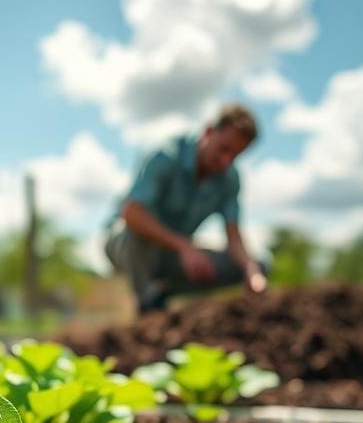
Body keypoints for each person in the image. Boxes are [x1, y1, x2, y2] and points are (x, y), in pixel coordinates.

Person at [105, 103, 267, 314]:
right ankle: (146, 302)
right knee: (139, 232)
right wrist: (184, 246)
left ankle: (162, 295)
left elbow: (233, 236)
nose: (226, 161)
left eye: (235, 156)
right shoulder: (164, 156)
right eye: (224, 149)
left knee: (260, 264)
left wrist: (252, 272)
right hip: (126, 245)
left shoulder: (229, 179)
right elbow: (132, 213)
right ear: (209, 132)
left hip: (174, 254)